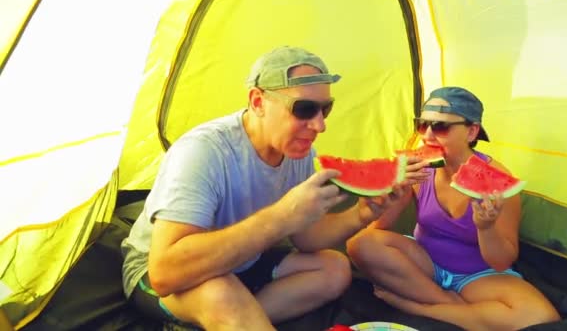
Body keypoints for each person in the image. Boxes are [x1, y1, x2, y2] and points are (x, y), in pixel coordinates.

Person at [120, 46, 414, 331]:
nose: (320, 125)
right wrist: (281, 217)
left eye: (326, 108)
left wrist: (361, 214)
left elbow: (307, 237)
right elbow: (164, 272)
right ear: (258, 102)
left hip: (241, 263)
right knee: (221, 293)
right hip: (158, 273)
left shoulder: (299, 153)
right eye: (305, 109)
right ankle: (224, 315)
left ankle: (223, 320)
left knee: (334, 269)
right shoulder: (203, 152)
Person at [346, 86, 561, 331]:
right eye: (422, 124)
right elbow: (377, 230)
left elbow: (501, 262)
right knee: (359, 243)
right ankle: (452, 306)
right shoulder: (420, 167)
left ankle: (417, 307)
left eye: (440, 127)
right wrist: (397, 193)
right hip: (423, 263)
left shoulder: (497, 180)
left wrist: (486, 227)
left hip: (478, 276)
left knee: (539, 318)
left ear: (471, 131)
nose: (427, 135)